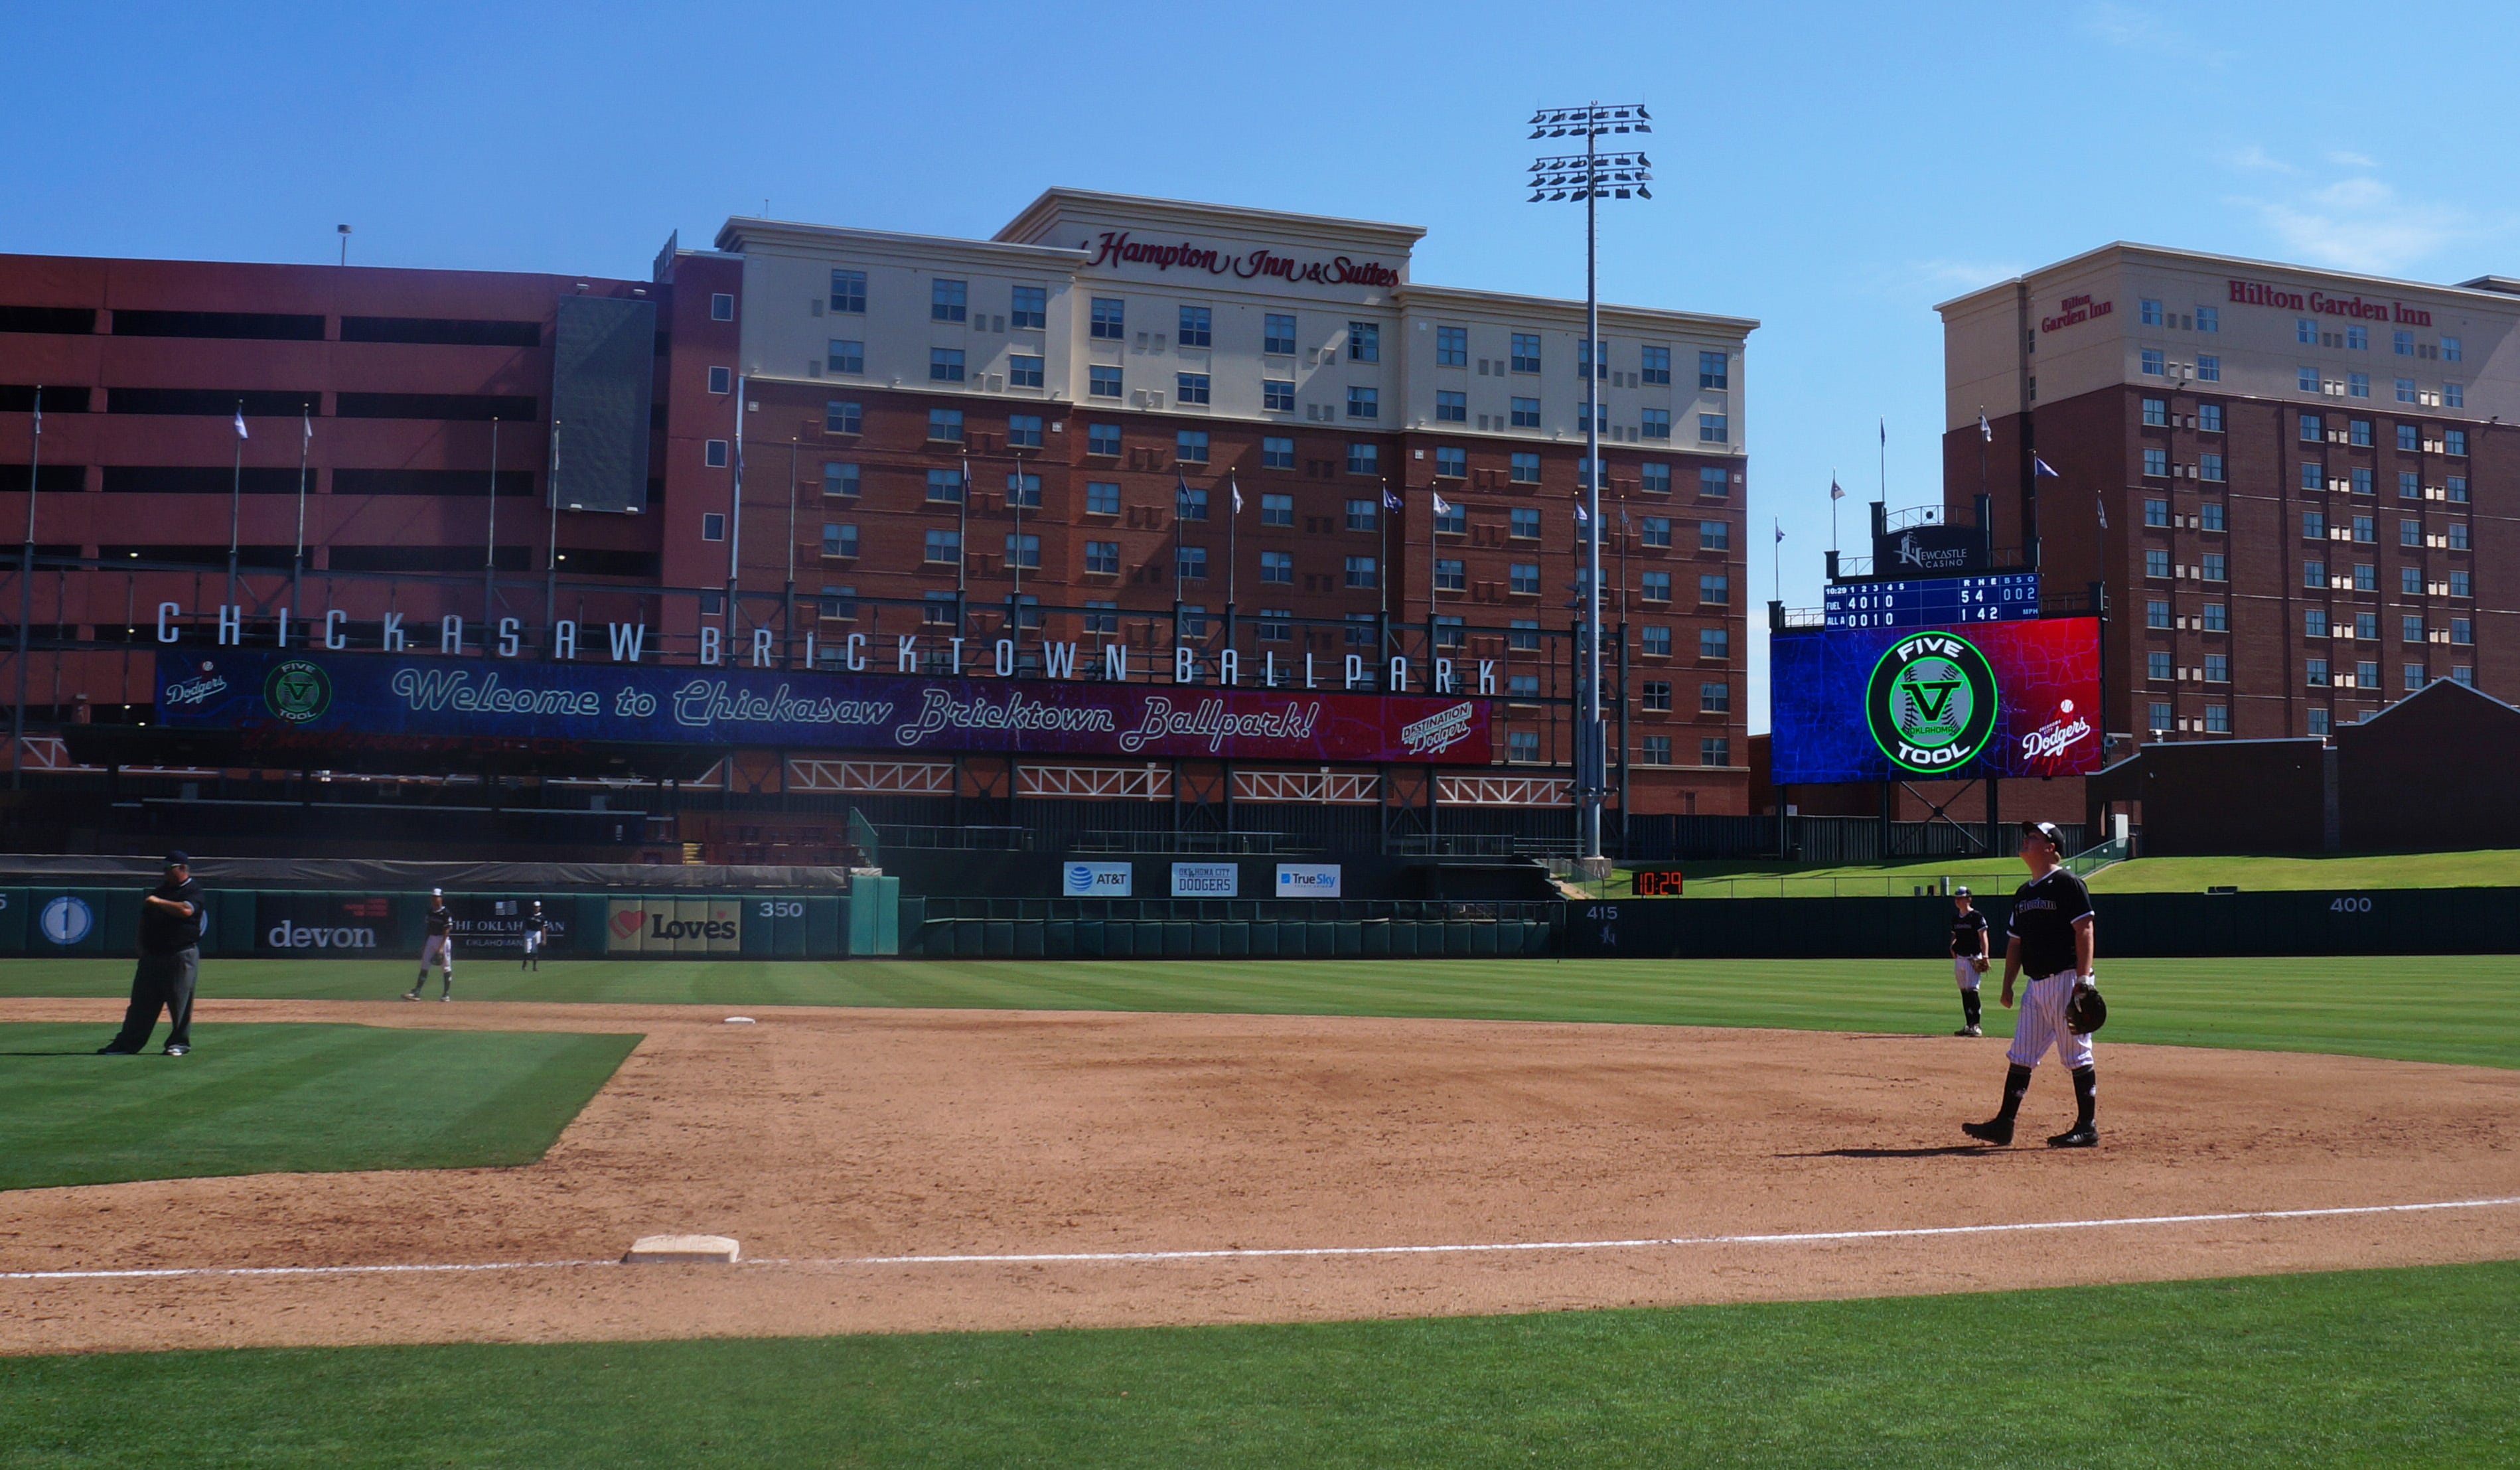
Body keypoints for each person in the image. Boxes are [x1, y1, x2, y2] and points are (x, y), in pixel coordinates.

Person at [1963, 822, 2101, 1149]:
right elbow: (2015, 943)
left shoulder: (2068, 883)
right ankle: (2004, 1124)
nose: (2025, 840)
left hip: (2067, 979)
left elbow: (2085, 930)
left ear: (2051, 847)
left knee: (2077, 1055)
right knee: (2021, 1054)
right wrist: (2008, 985)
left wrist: (2083, 979)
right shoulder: (2024, 892)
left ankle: (2087, 1126)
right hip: (2035, 985)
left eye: (2033, 837)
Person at [97, 852, 205, 1057]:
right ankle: (127, 1045)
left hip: (180, 954)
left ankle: (179, 1044)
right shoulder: (161, 891)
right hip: (152, 955)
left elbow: (186, 911)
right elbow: (144, 921)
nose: (164, 871)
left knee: (179, 1003)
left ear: (182, 868)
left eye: (168, 867)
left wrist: (157, 902)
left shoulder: (193, 891)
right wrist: (141, 947)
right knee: (140, 1004)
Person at [1947, 887, 1990, 1036]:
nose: (1958, 900)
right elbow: (1954, 936)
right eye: (1957, 898)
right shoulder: (1956, 918)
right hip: (1960, 959)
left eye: (1961, 897)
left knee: (1972, 991)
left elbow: (1983, 936)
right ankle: (1968, 1025)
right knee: (1964, 992)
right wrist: (1952, 946)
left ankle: (1976, 1025)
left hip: (1973, 958)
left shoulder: (1976, 917)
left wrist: (1985, 956)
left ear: (1969, 899)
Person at [406, 889, 455, 1001]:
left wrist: (441, 948)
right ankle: (417, 992)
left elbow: (447, 930)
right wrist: (426, 943)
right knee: (425, 964)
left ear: (441, 898)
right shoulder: (430, 911)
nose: (434, 899)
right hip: (431, 939)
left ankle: (446, 994)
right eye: (433, 897)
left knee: (446, 967)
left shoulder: (446, 913)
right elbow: (428, 928)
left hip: (443, 940)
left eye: (436, 897)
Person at [520, 900, 546, 971]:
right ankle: (524, 965)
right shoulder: (529, 915)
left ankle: (535, 967)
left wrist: (544, 939)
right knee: (527, 950)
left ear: (540, 907)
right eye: (535, 907)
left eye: (537, 907)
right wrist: (522, 932)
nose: (536, 908)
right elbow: (524, 924)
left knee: (535, 950)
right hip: (529, 932)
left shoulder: (542, 917)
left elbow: (543, 928)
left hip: (537, 933)